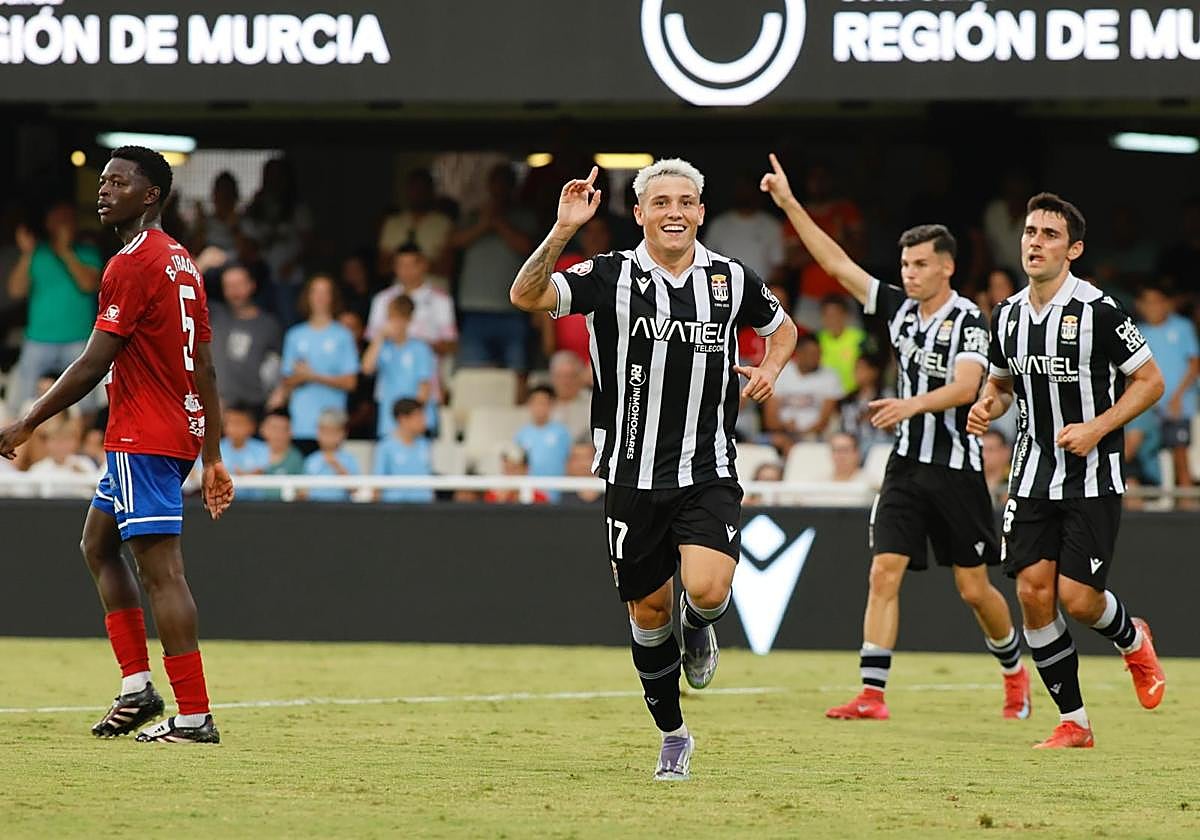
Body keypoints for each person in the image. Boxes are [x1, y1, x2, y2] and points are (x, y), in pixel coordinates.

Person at [510, 158, 797, 780]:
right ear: (638, 214)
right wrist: (562, 231)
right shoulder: (607, 275)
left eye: (686, 201)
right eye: (660, 201)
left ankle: (701, 627)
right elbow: (527, 295)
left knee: (707, 590)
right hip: (631, 475)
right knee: (647, 615)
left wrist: (772, 369)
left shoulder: (729, 279)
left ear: (701, 210)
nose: (674, 211)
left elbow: (783, 330)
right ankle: (673, 733)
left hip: (707, 467)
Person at [761, 153, 1031, 723]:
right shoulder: (898, 310)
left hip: (957, 471)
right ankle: (872, 695)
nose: (908, 273)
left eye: (919, 264)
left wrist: (909, 403)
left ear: (947, 268)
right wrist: (788, 203)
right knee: (883, 571)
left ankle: (1014, 673)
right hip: (906, 467)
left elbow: (965, 387)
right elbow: (836, 264)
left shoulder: (969, 321)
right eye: (905, 264)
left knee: (975, 590)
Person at [0, 146, 233, 743]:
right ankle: (137, 689)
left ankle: (193, 715)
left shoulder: (131, 262)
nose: (103, 191)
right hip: (174, 428)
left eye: (118, 182)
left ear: (150, 194)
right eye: (102, 182)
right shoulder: (182, 262)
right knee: (97, 544)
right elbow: (203, 365)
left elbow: (94, 361)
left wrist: (27, 421)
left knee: (162, 574)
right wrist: (210, 453)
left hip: (142, 431)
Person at [967, 192, 1167, 749]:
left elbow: (1150, 381)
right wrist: (988, 405)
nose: (1035, 242)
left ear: (1073, 250)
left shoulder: (1101, 311)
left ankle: (1133, 641)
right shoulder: (1006, 316)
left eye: (1049, 235)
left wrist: (1097, 427)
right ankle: (1074, 722)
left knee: (1078, 600)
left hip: (1092, 475)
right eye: (1031, 232)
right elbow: (1003, 386)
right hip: (1031, 474)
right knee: (1034, 593)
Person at [7, 200, 104, 412]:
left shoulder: (87, 252)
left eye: (67, 220)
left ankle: (81, 441)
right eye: (57, 220)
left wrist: (66, 252)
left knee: (84, 403)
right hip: (38, 340)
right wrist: (27, 253)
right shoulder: (37, 254)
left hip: (78, 340)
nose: (62, 225)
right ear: (48, 224)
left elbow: (89, 284)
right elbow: (15, 290)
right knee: (24, 402)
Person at [452, 163, 535, 372]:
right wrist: (483, 224)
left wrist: (498, 223)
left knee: (516, 372)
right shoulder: (472, 215)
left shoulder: (524, 216)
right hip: (474, 309)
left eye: (505, 184)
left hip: (514, 309)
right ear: (488, 186)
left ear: (513, 187)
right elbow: (453, 242)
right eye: (496, 183)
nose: (500, 189)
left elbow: (528, 247)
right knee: (473, 372)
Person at [271, 274, 359, 454]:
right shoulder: (295, 335)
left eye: (325, 293)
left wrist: (313, 376)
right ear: (307, 296)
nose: (319, 297)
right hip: (301, 422)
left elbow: (350, 382)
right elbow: (287, 379)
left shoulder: (343, 335)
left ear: (332, 298)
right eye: (315, 292)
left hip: (332, 425)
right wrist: (300, 378)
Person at [1134, 282, 1199, 503]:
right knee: (1142, 452)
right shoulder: (1138, 331)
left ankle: (1187, 506)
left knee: (1179, 454)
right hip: (1147, 408)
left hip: (1177, 405)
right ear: (1140, 305)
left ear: (1168, 304)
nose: (1153, 307)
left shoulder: (1182, 327)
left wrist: (1178, 397)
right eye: (1148, 302)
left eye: (1158, 302)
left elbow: (1193, 364)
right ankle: (1149, 501)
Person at [208, 263, 282, 417]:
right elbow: (179, 291)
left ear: (252, 285)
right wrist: (202, 264)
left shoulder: (269, 324)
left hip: (255, 407)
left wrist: (278, 392)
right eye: (228, 285)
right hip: (218, 407)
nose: (234, 291)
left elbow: (279, 365)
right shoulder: (214, 315)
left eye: (239, 284)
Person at [362, 295, 436, 439]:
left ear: (408, 320)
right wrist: (380, 337)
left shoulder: (420, 348)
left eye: (398, 318)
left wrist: (413, 420)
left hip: (415, 422)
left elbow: (424, 388)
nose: (393, 323)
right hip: (389, 421)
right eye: (390, 317)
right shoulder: (383, 347)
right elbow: (366, 368)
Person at [760, 333, 844, 453]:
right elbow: (770, 419)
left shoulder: (830, 376)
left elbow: (824, 422)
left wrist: (800, 434)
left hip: (815, 436)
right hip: (781, 434)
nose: (816, 357)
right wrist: (786, 428)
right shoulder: (780, 372)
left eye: (818, 353)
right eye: (811, 353)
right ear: (798, 353)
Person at [704, 173, 784, 281]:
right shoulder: (718, 225)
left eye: (748, 189)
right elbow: (706, 262)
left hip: (760, 293)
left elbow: (778, 265)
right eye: (741, 189)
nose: (745, 193)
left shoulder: (771, 225)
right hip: (724, 292)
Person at [377, 168, 454, 274]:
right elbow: (382, 267)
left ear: (430, 191)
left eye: (422, 188)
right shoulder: (393, 223)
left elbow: (447, 268)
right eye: (414, 188)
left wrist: (414, 263)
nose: (418, 194)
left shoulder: (444, 223)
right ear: (407, 191)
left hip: (434, 288)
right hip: (402, 289)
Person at [514, 385, 572, 502]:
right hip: (530, 494)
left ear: (552, 406)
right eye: (536, 403)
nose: (539, 408)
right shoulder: (521, 434)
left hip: (557, 493)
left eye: (544, 403)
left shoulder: (562, 433)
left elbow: (569, 461)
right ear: (529, 405)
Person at [374, 399, 434, 504]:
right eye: (418, 416)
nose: (424, 420)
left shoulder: (425, 444)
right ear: (403, 419)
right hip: (395, 509)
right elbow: (377, 484)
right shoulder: (385, 447)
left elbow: (428, 478)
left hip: (423, 507)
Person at [301, 408, 359, 502]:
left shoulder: (349, 459)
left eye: (333, 432)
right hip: (314, 508)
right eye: (325, 431)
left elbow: (355, 489)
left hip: (341, 508)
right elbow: (302, 491)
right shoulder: (311, 460)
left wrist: (337, 466)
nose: (329, 436)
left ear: (343, 433)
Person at [218, 404, 271, 501]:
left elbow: (262, 470)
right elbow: (202, 471)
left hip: (256, 503)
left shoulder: (262, 448)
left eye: (239, 423)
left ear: (252, 426)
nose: (235, 428)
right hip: (223, 503)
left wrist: (245, 475)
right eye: (231, 423)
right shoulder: (216, 449)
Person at [817, 294, 865, 393]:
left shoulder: (859, 339)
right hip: (824, 396)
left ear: (845, 315)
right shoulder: (816, 341)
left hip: (852, 396)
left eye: (835, 314)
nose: (832, 319)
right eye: (827, 315)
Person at [260, 409, 304, 501]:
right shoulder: (253, 452)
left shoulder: (296, 459)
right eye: (274, 428)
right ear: (263, 429)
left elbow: (302, 492)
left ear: (291, 432)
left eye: (283, 429)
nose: (278, 434)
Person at [548, 349, 591, 441]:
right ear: (552, 378)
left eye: (571, 376)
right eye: (560, 376)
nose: (565, 382)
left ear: (581, 377)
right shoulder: (545, 405)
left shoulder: (593, 404)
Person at [981, 429, 1012, 504]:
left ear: (1006, 452)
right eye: (981, 450)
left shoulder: (1015, 484)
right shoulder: (969, 484)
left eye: (990, 450)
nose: (984, 455)